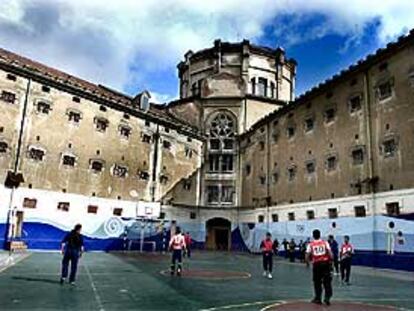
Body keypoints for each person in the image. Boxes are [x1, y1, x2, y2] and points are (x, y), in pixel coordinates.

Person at [306, 229, 333, 306]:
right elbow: (330, 254)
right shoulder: (325, 243)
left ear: (313, 236)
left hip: (316, 265)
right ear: (320, 235)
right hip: (325, 264)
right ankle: (327, 298)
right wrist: (331, 261)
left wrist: (308, 263)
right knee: (327, 281)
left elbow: (307, 255)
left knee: (317, 282)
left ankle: (318, 298)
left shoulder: (311, 244)